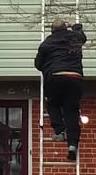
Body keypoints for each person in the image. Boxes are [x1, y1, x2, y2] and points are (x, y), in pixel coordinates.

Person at [34, 20, 87, 161]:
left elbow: (38, 65)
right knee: (72, 112)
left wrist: (49, 66)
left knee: (52, 103)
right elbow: (83, 37)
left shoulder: (46, 43)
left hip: (55, 77)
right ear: (66, 28)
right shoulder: (74, 38)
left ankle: (59, 130)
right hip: (75, 77)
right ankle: (72, 145)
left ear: (52, 30)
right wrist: (75, 26)